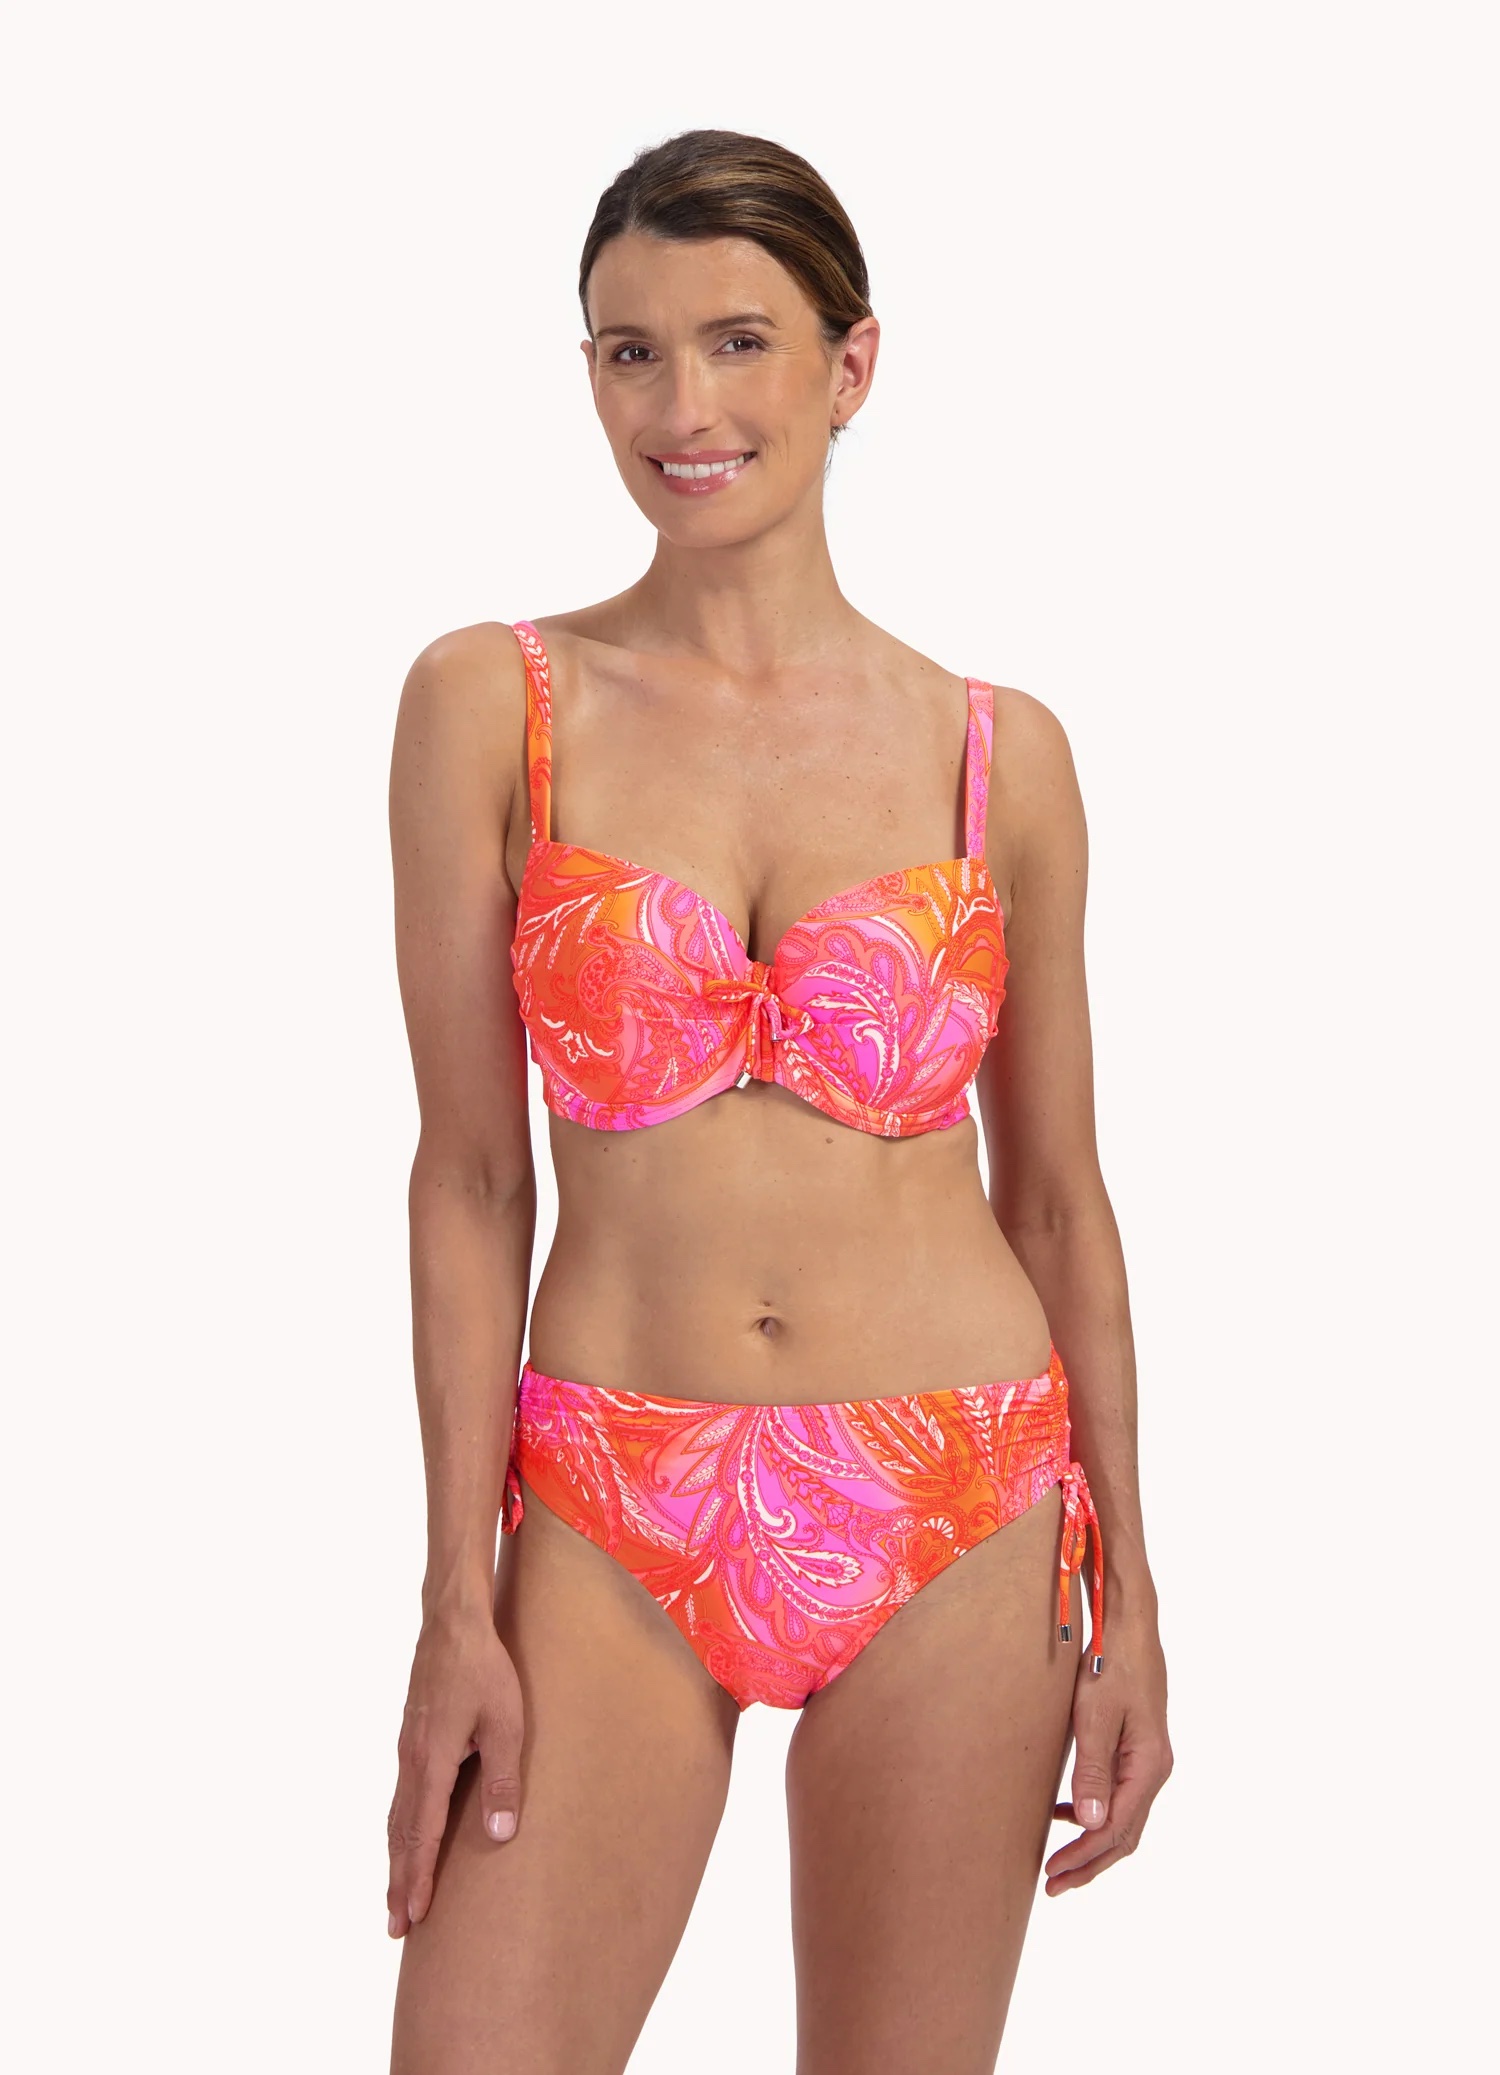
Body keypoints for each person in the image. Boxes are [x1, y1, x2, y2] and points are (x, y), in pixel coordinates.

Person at [385, 127, 1172, 2075]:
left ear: (852, 364)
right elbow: (470, 1179)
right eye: (630, 352)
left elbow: (1057, 1200)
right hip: (607, 1494)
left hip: (959, 1493)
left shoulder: (1000, 754)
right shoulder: (495, 704)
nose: (685, 408)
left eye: (740, 341)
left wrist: (1135, 1595)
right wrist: (454, 1598)